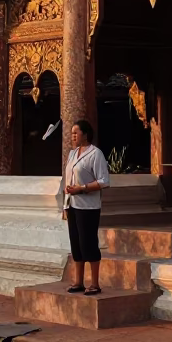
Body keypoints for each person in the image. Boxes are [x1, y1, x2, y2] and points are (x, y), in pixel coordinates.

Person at [64, 119, 110, 295]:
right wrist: (65, 204)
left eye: (76, 132)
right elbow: (67, 179)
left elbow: (104, 181)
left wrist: (81, 189)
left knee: (88, 243)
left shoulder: (95, 154)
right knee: (76, 243)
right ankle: (78, 281)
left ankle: (95, 283)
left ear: (85, 134)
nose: (73, 136)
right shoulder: (72, 154)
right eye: (72, 133)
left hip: (88, 207)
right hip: (72, 205)